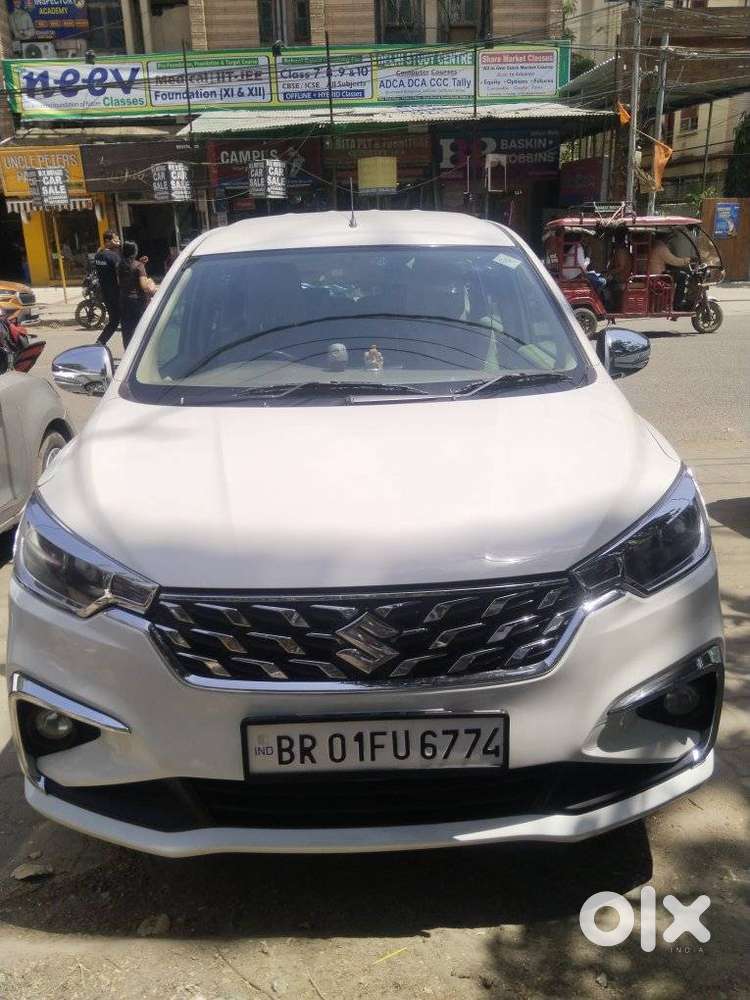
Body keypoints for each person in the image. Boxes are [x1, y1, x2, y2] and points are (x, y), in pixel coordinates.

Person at [118, 241, 155, 349]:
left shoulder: (120, 265)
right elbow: (144, 286)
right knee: (140, 329)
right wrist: (152, 286)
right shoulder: (139, 267)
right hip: (138, 302)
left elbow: (128, 273)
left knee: (127, 330)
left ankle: (128, 353)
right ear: (135, 252)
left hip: (124, 301)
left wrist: (141, 263)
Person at [648, 235, 692, 310]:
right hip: (658, 276)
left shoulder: (654, 245)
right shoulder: (661, 247)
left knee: (678, 274)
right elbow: (673, 261)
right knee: (682, 277)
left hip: (653, 274)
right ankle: (677, 304)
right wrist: (686, 260)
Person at [94, 229, 121, 346]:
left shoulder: (98, 255)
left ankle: (99, 343)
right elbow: (120, 274)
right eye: (116, 239)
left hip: (106, 293)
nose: (118, 241)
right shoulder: (113, 256)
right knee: (124, 320)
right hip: (116, 293)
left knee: (114, 320)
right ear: (108, 241)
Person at [606, 228, 633, 310]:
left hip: (621, 278)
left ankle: (610, 307)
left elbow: (621, 267)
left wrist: (610, 272)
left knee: (605, 285)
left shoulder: (621, 251)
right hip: (620, 277)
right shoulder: (620, 250)